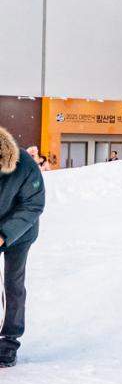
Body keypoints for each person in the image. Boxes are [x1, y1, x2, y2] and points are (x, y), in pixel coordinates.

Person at [0, 127, 47, 368]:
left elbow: (33, 204)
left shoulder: (24, 165)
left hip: (19, 233)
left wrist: (4, 234)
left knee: (12, 284)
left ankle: (8, 341)